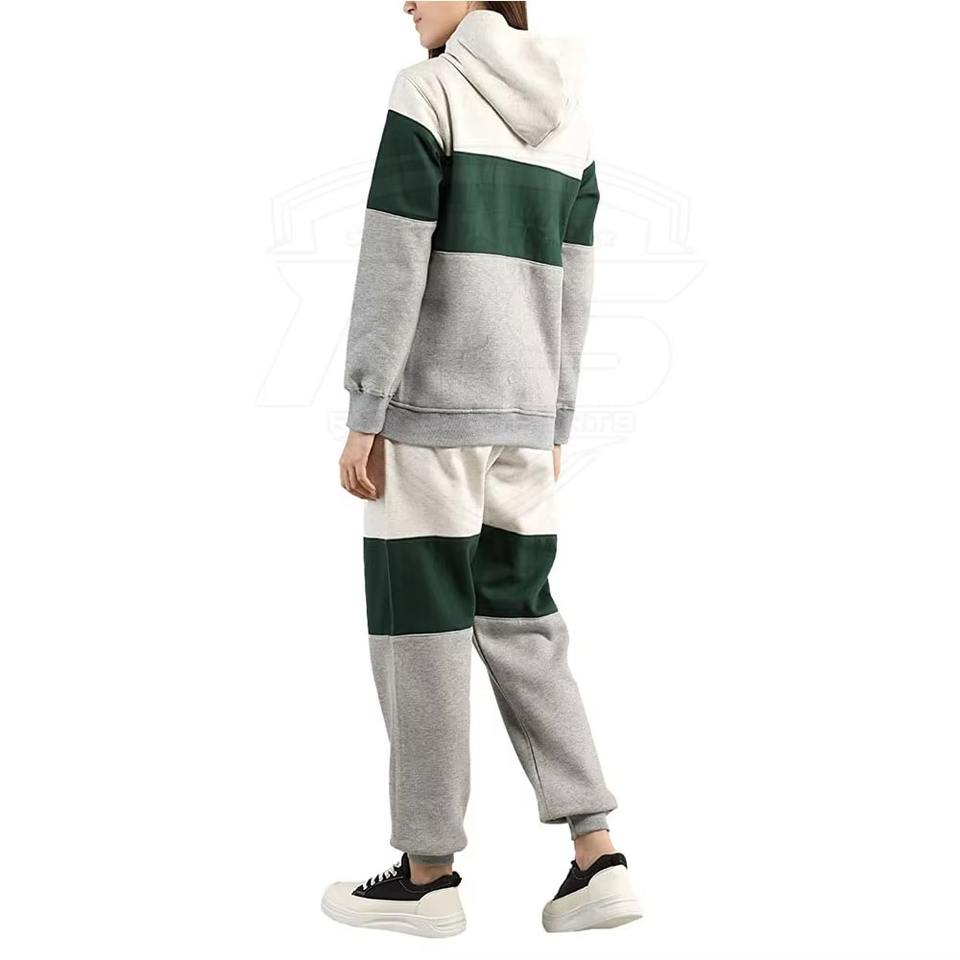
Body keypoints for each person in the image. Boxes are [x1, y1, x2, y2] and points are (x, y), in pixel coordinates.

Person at [322, 1, 641, 937]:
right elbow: (577, 278)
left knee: (418, 636)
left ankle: (429, 877)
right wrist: (557, 415)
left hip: (430, 419)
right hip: (525, 422)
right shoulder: (569, 112)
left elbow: (394, 254)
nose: (404, 3)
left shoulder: (427, 91)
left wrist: (366, 409)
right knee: (526, 628)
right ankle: (597, 855)